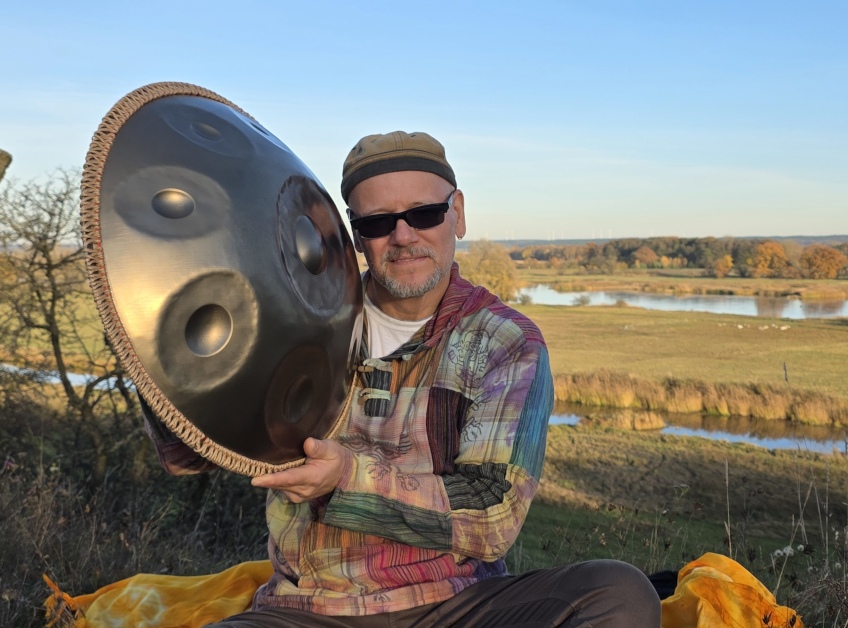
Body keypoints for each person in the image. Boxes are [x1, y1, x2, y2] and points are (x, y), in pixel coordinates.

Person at [147, 131, 662, 627]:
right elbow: (186, 452)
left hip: (459, 604)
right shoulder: (300, 319)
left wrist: (346, 479)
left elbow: (492, 519)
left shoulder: (505, 341)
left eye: (425, 213)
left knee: (619, 595)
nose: (403, 235)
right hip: (308, 610)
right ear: (353, 234)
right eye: (377, 222)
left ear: (456, 214)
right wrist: (156, 344)